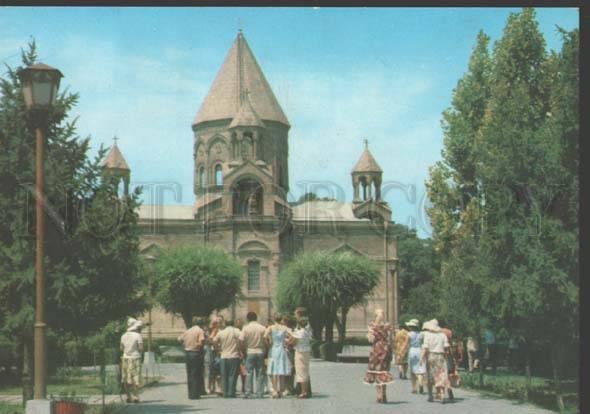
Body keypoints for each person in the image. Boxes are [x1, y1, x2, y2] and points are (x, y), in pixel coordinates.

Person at [363, 309, 394, 404]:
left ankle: (379, 395)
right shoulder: (388, 325)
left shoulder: (372, 326)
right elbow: (391, 339)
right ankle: (384, 394)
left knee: (377, 372)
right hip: (385, 349)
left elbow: (370, 339)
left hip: (376, 350)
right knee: (384, 372)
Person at [421, 319, 450, 404]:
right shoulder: (443, 335)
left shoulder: (428, 335)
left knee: (430, 376)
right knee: (441, 375)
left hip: (431, 356)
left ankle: (430, 395)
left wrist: (421, 358)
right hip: (441, 356)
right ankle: (442, 394)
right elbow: (446, 347)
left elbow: (425, 348)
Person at [239, 311, 267, 399]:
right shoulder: (262, 328)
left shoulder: (245, 328)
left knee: (249, 373)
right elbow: (267, 340)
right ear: (256, 318)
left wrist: (243, 351)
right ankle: (260, 392)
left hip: (250, 351)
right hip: (260, 351)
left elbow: (241, 341)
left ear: (248, 319)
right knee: (260, 373)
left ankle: (248, 392)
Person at [177, 316, 206, 400]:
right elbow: (201, 342)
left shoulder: (188, 330)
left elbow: (179, 339)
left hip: (187, 353)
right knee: (196, 373)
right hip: (195, 353)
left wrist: (185, 344)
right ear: (200, 323)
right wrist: (197, 344)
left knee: (189, 374)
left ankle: (190, 393)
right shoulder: (200, 331)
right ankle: (195, 393)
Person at [212, 318, 242, 398]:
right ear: (233, 324)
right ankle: (231, 392)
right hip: (234, 355)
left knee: (224, 375)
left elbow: (214, 341)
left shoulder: (221, 332)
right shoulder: (237, 331)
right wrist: (239, 348)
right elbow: (242, 339)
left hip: (223, 356)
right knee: (232, 375)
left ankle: (224, 392)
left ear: (226, 324)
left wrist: (217, 349)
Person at [264, 313, 291, 398]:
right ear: (281, 319)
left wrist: (268, 344)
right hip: (282, 349)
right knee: (281, 370)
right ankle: (281, 390)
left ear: (274, 319)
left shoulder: (270, 327)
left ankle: (275, 390)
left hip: (274, 349)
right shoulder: (284, 328)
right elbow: (293, 334)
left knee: (274, 370)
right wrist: (287, 343)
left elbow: (264, 336)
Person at [120, 318, 144, 403]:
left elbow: (121, 348)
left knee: (126, 378)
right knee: (135, 378)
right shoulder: (138, 336)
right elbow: (141, 348)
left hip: (125, 358)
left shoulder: (123, 335)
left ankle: (128, 396)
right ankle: (136, 396)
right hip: (135, 358)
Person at [290, 315, 313, 398]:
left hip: (300, 352)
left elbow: (293, 342)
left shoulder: (299, 332)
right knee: (306, 371)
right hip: (307, 351)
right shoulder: (308, 331)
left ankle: (303, 392)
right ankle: (306, 390)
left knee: (301, 371)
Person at [406, 319, 426, 394]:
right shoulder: (421, 334)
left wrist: (403, 352)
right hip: (420, 350)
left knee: (413, 370)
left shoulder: (409, 334)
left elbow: (406, 344)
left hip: (412, 350)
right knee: (420, 369)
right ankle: (420, 383)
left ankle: (414, 388)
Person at [207, 316, 223, 395]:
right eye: (216, 322)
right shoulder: (212, 331)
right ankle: (210, 387)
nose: (217, 324)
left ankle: (218, 387)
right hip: (213, 352)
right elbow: (209, 340)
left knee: (218, 371)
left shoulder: (221, 330)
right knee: (211, 370)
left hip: (219, 352)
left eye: (219, 322)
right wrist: (215, 344)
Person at [235, 319, 247, 395]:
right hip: (235, 354)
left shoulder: (243, 332)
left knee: (243, 372)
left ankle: (243, 386)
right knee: (235, 372)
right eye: (237, 323)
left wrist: (243, 352)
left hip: (242, 354)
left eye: (239, 323)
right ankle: (235, 386)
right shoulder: (235, 332)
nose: (238, 324)